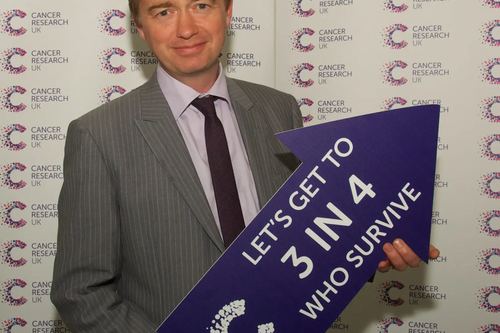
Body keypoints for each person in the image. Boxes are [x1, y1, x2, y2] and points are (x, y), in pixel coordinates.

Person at [50, 0, 439, 332]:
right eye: (163, 11)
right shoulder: (98, 134)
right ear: (140, 27)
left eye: (202, 5)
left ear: (228, 12)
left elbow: (307, 233)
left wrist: (370, 250)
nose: (187, 28)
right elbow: (80, 291)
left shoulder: (279, 108)